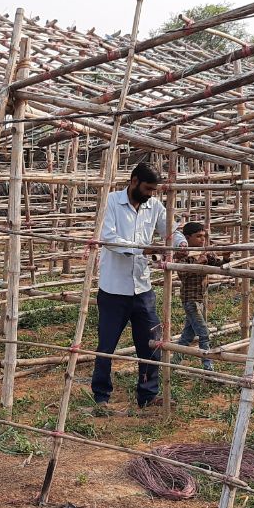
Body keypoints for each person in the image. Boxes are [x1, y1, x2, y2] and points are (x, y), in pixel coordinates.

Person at [92, 162, 167, 413]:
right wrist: (143, 248)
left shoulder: (154, 206)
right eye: (147, 188)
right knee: (107, 345)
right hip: (114, 289)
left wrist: (183, 242)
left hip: (142, 287)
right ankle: (101, 396)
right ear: (134, 181)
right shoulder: (112, 202)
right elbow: (109, 239)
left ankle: (148, 394)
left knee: (151, 343)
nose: (150, 194)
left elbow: (170, 231)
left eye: (154, 190)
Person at [170, 221, 228, 372]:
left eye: (204, 236)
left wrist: (226, 258)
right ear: (187, 238)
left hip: (200, 299)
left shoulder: (205, 253)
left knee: (187, 336)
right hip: (190, 301)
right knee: (204, 333)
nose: (202, 239)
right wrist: (197, 262)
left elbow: (220, 266)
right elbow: (182, 274)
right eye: (198, 236)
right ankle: (208, 366)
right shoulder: (182, 255)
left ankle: (173, 364)